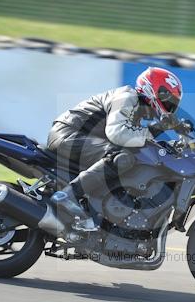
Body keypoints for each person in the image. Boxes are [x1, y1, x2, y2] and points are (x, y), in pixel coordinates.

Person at [46, 67, 183, 231]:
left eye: (173, 103)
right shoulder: (127, 97)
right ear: (152, 89)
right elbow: (117, 133)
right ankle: (67, 196)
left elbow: (132, 136)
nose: (169, 106)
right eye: (167, 99)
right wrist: (154, 130)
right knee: (122, 157)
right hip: (68, 134)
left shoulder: (136, 111)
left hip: (78, 138)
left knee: (131, 157)